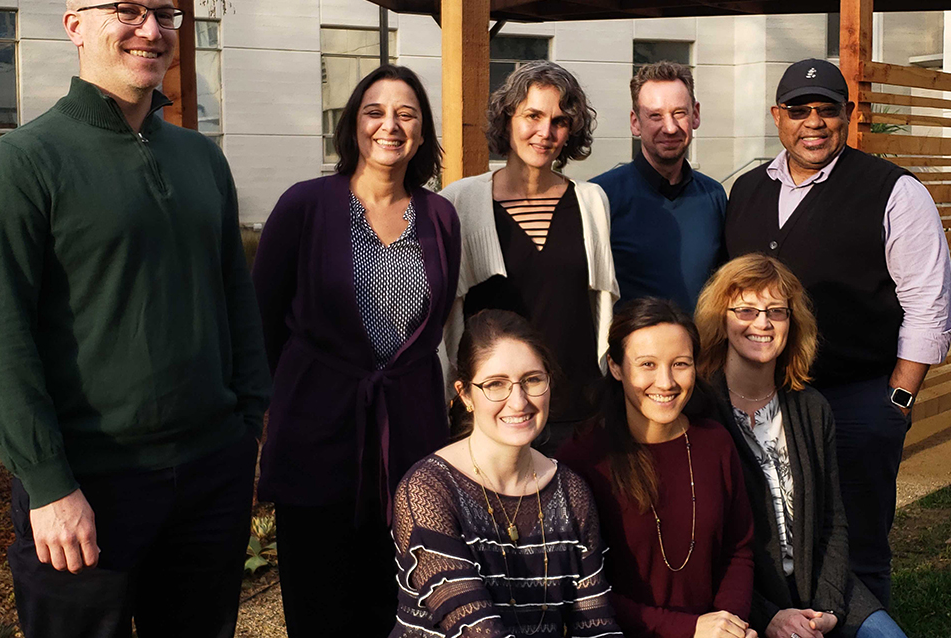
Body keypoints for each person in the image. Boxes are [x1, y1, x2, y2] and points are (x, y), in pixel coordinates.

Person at [0, 0, 270, 636]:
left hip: (210, 476)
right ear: (75, 24)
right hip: (87, 487)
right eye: (126, 10)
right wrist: (49, 484)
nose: (150, 29)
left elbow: (236, 304)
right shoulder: (21, 164)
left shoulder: (201, 160)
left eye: (162, 12)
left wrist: (247, 431)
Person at [724, 58, 951, 607]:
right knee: (770, 538)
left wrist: (895, 402)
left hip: (857, 398)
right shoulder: (747, 190)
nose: (814, 122)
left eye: (828, 109)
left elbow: (929, 305)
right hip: (766, 400)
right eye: (799, 110)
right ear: (777, 116)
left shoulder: (894, 191)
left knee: (858, 546)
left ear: (848, 115)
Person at [251, 63, 461, 638]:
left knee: (404, 606)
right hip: (318, 434)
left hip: (411, 436)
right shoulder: (306, 205)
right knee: (321, 604)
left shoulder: (440, 216)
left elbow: (435, 326)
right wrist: (262, 421)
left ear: (421, 131)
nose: (390, 125)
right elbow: (261, 322)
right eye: (375, 111)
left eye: (406, 113)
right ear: (353, 124)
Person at [694, 254, 907, 638]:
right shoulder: (700, 412)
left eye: (776, 311)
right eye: (745, 310)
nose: (762, 322)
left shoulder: (810, 407)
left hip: (820, 586)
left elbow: (833, 520)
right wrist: (768, 615)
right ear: (720, 319)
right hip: (743, 601)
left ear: (792, 322)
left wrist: (826, 608)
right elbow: (702, 548)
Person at [390, 309, 623, 638]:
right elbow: (474, 627)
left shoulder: (572, 492)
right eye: (495, 384)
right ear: (465, 395)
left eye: (532, 380)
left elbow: (595, 623)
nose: (519, 401)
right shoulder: (427, 489)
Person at [441, 60, 618, 453]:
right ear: (507, 120)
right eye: (532, 115)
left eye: (559, 120)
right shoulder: (460, 201)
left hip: (577, 410)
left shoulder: (591, 202)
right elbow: (446, 313)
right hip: (494, 412)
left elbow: (599, 309)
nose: (545, 132)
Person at [558, 298, 755, 638]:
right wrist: (689, 629)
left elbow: (738, 548)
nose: (666, 382)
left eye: (680, 364)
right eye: (647, 364)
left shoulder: (715, 443)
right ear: (616, 367)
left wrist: (727, 624)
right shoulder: (583, 458)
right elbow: (581, 586)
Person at [592, 61, 726, 313]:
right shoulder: (601, 197)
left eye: (679, 113)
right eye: (655, 115)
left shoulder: (714, 196)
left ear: (695, 115)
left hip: (702, 350)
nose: (670, 127)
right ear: (635, 122)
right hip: (630, 351)